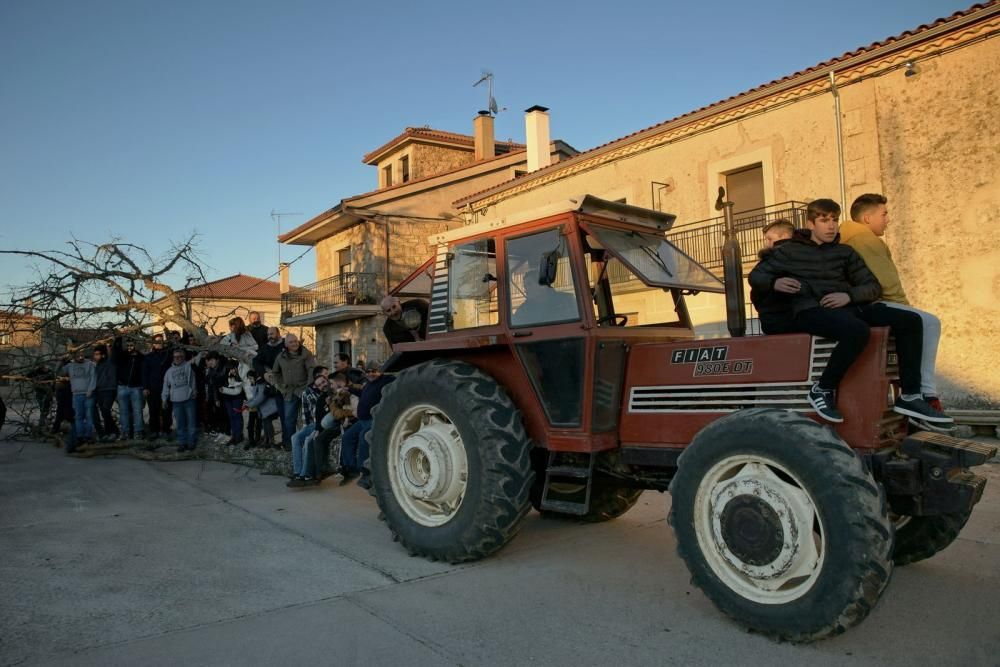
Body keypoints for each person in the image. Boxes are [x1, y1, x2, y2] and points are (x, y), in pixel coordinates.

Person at [748, 198, 951, 426]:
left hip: (846, 305)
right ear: (811, 224)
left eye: (834, 219)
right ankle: (823, 389)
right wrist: (775, 282)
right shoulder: (788, 251)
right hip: (809, 308)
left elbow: (872, 286)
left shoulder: (845, 252)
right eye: (824, 220)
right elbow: (757, 276)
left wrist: (849, 296)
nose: (831, 225)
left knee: (912, 321)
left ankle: (911, 395)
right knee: (856, 331)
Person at [841, 193, 945, 412]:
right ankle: (926, 395)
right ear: (867, 218)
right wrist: (905, 307)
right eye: (884, 214)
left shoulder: (853, 238)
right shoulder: (865, 239)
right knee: (929, 322)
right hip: (875, 302)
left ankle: (920, 392)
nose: (888, 219)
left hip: (863, 302)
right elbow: (886, 281)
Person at [339, 361, 394, 489]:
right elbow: (363, 394)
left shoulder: (385, 380)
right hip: (362, 421)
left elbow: (394, 379)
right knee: (347, 437)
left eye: (374, 371)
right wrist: (349, 389)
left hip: (373, 420)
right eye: (368, 371)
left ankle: (365, 473)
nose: (370, 374)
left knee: (364, 437)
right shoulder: (369, 384)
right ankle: (351, 469)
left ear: (380, 372)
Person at [750, 219, 797, 335]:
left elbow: (755, 279)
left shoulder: (773, 258)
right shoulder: (804, 254)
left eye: (770, 239)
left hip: (777, 321)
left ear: (785, 236)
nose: (767, 243)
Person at [270, 333, 316, 449]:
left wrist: (308, 387)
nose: (295, 343)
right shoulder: (281, 356)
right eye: (291, 342)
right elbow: (275, 372)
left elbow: (312, 370)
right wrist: (281, 386)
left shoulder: (306, 354)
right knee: (289, 420)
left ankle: (308, 443)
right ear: (286, 344)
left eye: (296, 341)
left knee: (309, 417)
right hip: (289, 391)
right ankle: (290, 444)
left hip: (303, 389)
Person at [287, 368, 329, 488]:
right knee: (295, 437)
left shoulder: (330, 391)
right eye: (320, 383)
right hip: (311, 424)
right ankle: (297, 472)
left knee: (307, 441)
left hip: (322, 424)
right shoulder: (308, 393)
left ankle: (306, 474)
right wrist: (305, 430)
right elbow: (306, 414)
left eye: (324, 380)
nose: (323, 384)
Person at [510, 270, 578, 327]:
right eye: (525, 286)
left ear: (542, 286)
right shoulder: (523, 311)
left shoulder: (567, 300)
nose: (525, 289)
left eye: (529, 284)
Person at [161, 348, 198, 452]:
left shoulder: (188, 366)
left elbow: (192, 380)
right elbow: (165, 386)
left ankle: (191, 443)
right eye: (175, 357)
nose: (177, 359)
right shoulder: (169, 371)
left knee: (191, 423)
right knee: (180, 424)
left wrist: (194, 391)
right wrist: (164, 399)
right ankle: (182, 443)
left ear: (183, 357)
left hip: (189, 399)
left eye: (180, 356)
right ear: (173, 358)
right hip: (176, 401)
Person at [113, 336, 145, 440]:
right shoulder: (122, 355)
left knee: (137, 411)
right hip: (122, 386)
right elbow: (115, 352)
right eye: (128, 345)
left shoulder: (140, 356)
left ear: (135, 345)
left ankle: (138, 432)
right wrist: (118, 338)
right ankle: (125, 432)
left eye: (131, 345)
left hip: (136, 387)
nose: (130, 347)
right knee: (123, 411)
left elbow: (143, 372)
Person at [142, 334, 173, 439]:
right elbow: (144, 373)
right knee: (153, 411)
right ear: (153, 343)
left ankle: (166, 430)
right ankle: (154, 431)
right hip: (152, 388)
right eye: (157, 341)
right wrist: (145, 387)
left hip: (166, 387)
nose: (159, 343)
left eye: (161, 341)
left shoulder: (168, 355)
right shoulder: (148, 357)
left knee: (166, 410)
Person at [62, 350, 96, 443]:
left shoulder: (90, 364)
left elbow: (93, 378)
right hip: (76, 395)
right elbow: (59, 371)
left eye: (82, 355)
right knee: (78, 416)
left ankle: (88, 436)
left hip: (88, 394)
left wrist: (90, 390)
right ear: (74, 357)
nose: (81, 357)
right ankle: (80, 436)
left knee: (89, 416)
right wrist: (62, 360)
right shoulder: (70, 366)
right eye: (78, 356)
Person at [244, 369, 279, 449]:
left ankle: (271, 442)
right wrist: (247, 404)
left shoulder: (261, 383)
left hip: (268, 408)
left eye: (250, 378)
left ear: (255, 377)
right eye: (249, 378)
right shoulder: (257, 384)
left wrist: (249, 405)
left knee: (268, 424)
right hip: (265, 409)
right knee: (266, 424)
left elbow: (260, 397)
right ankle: (266, 441)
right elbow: (255, 397)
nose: (250, 380)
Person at [91, 345, 119, 442]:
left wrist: (110, 346)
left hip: (110, 389)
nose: (95, 356)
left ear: (103, 355)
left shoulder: (110, 362)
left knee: (106, 410)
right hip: (100, 390)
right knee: (104, 412)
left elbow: (114, 352)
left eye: (97, 354)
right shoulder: (97, 365)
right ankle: (109, 432)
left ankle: (115, 431)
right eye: (94, 354)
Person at [220, 316, 258, 381]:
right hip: (240, 360)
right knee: (241, 377)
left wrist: (242, 348)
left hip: (249, 357)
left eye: (231, 326)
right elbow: (222, 342)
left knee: (246, 379)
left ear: (236, 326)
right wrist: (231, 344)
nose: (229, 328)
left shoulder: (246, 334)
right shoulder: (231, 335)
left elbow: (256, 346)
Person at [219, 364, 247, 446]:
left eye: (233, 369)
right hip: (227, 399)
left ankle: (238, 436)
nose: (232, 371)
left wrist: (224, 390)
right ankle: (233, 436)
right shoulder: (227, 375)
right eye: (230, 369)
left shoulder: (240, 376)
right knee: (231, 416)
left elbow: (237, 391)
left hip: (237, 398)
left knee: (237, 416)